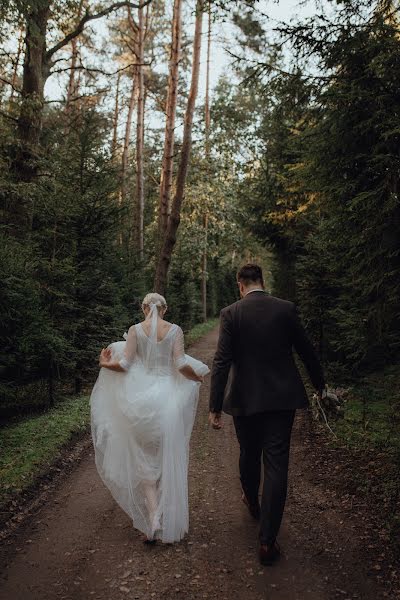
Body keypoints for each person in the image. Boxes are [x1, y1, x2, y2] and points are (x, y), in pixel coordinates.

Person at [208, 264, 325, 566]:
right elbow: (306, 351)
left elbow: (221, 362)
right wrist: (321, 387)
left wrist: (214, 406)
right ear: (261, 281)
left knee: (248, 453)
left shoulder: (231, 313)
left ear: (240, 285)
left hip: (245, 400)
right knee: (276, 464)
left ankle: (252, 501)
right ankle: (267, 542)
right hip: (281, 399)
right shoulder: (285, 309)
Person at [90, 292, 209, 544]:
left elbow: (124, 365)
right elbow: (180, 364)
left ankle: (154, 517)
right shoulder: (175, 330)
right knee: (168, 455)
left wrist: (103, 363)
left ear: (144, 308)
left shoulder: (135, 330)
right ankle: (165, 513)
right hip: (167, 400)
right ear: (164, 310)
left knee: (144, 459)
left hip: (139, 401)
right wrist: (195, 377)